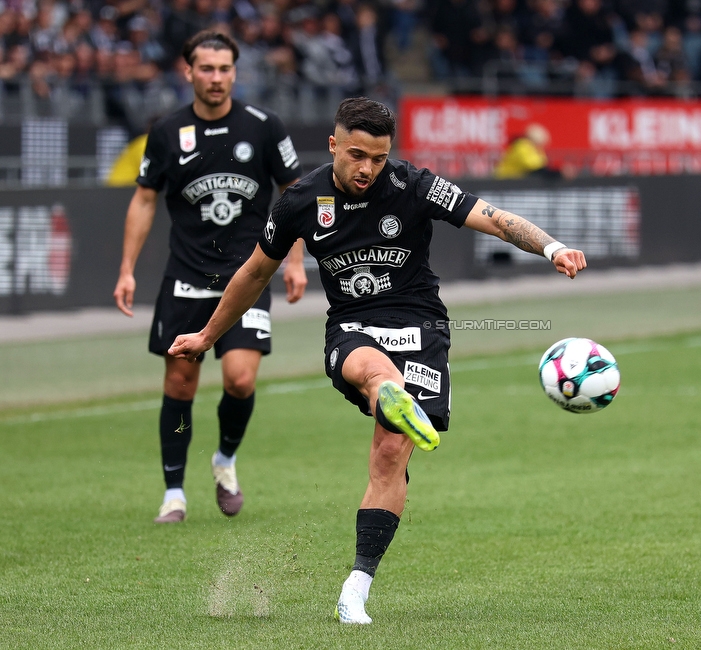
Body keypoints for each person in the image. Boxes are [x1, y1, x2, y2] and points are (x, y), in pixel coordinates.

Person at [168, 97, 586, 624]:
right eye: (357, 155)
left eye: (379, 157)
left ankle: (356, 588)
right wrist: (207, 335)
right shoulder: (299, 200)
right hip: (353, 328)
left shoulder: (413, 184)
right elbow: (254, 274)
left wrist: (552, 248)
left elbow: (495, 219)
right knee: (376, 376)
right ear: (334, 145)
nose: (368, 168)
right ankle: (391, 391)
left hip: (421, 328)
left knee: (391, 455)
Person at [112, 30, 308, 525]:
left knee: (240, 381)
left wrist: (295, 260)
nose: (216, 78)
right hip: (186, 277)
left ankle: (224, 459)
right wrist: (127, 270)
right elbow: (143, 199)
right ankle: (174, 493)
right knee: (180, 386)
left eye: (224, 69)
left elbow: (296, 193)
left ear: (234, 73)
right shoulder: (165, 132)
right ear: (189, 72)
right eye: (206, 68)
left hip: (247, 277)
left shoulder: (264, 127)